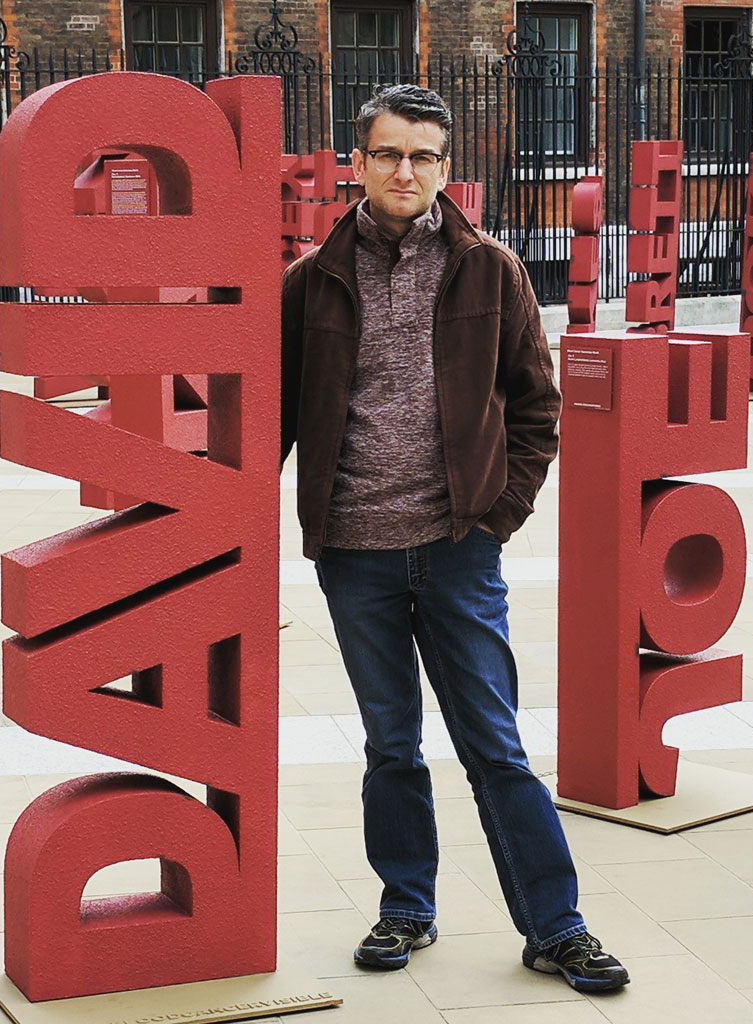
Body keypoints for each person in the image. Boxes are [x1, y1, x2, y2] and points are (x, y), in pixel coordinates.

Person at [280, 84, 629, 994]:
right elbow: (272, 417)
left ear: (445, 167)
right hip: (354, 553)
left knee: (495, 746)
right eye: (388, 153)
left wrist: (495, 517)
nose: (406, 171)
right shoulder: (309, 280)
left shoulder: (490, 269)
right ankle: (407, 907)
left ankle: (556, 926)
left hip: (457, 547)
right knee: (391, 744)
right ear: (357, 164)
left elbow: (537, 409)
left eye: (423, 156)